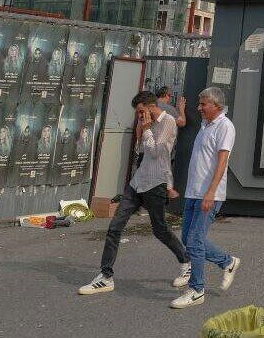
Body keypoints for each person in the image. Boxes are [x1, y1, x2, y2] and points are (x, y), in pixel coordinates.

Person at [80, 91, 189, 296]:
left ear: (150, 106)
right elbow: (141, 150)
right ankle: (105, 276)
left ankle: (186, 261)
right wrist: (142, 128)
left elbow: (156, 152)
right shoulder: (144, 123)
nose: (139, 115)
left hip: (156, 183)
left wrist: (147, 128)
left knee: (160, 230)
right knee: (115, 227)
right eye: (138, 113)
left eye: (141, 111)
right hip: (137, 182)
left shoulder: (169, 122)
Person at [171, 87, 241, 310]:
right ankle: (227, 262)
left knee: (195, 241)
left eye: (203, 104)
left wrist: (211, 193)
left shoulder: (225, 126)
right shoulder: (205, 125)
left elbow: (222, 162)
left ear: (217, 106)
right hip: (194, 192)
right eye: (199, 103)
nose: (199, 108)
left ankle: (197, 289)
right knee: (188, 238)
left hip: (209, 194)